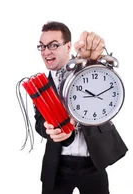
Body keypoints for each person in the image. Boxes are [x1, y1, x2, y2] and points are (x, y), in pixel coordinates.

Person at [34, 21, 128, 194]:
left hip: (93, 163)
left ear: (68, 46)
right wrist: (49, 130)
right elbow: (39, 122)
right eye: (42, 46)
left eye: (53, 45)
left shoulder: (85, 69)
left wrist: (91, 58)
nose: (46, 51)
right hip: (57, 167)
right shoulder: (40, 85)